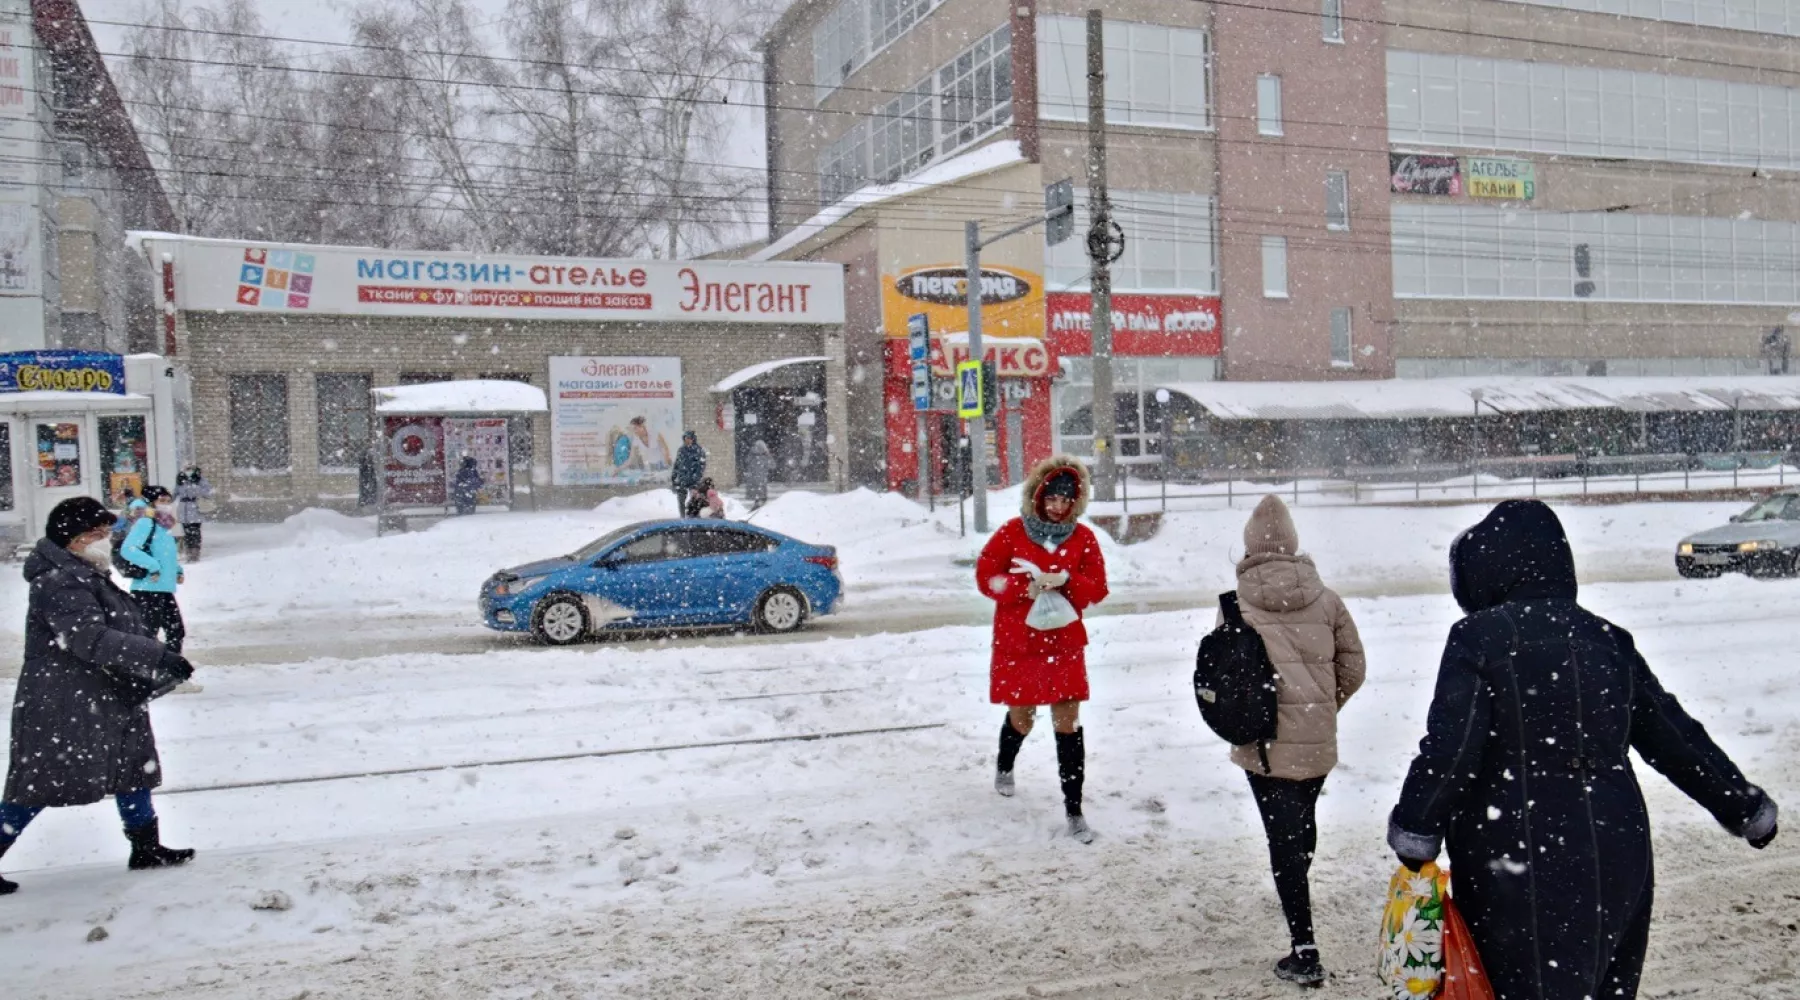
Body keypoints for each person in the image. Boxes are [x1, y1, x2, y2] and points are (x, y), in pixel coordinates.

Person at [1388, 500, 1778, 1000]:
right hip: (1620, 849)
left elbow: (1450, 750)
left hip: (1519, 857)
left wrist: (1416, 832)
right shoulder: (1606, 639)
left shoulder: (1479, 639)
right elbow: (1675, 737)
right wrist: (1743, 806)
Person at [0, 497, 195, 895]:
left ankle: (145, 847)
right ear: (74, 539)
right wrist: (157, 654)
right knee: (43, 779)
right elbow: (87, 638)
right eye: (98, 534)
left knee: (132, 766)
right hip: (65, 698)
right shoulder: (58, 581)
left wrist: (149, 656)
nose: (106, 539)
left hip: (106, 690)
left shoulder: (85, 573)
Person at [1226, 496, 1364, 987]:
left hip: (1264, 746)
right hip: (1317, 740)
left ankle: (1304, 948)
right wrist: (1320, 711)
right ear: (1293, 543)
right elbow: (1354, 667)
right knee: (1300, 825)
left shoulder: (1235, 603)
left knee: (1281, 836)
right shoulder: (1327, 598)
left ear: (1249, 546)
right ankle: (1298, 880)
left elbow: (1223, 680)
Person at [975, 456, 1109, 843]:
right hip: (1020, 642)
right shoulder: (1011, 533)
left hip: (1064, 643)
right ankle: (1005, 765)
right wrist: (1024, 588)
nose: (1058, 507)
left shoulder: (1083, 538)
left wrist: (1067, 579)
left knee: (1068, 724)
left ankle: (1074, 810)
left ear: (1076, 502)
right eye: (1051, 498)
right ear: (1037, 495)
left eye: (1067, 501)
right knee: (1023, 719)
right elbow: (987, 577)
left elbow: (1098, 588)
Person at [120, 488, 186, 654]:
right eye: (161, 501)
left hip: (163, 587)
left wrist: (177, 570)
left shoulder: (162, 526)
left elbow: (165, 554)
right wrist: (153, 566)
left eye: (167, 501)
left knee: (176, 630)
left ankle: (171, 668)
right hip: (147, 589)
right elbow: (128, 549)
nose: (166, 505)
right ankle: (145, 670)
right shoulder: (146, 523)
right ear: (151, 502)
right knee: (148, 634)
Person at [173, 467, 213, 562]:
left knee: (195, 532)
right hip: (183, 510)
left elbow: (208, 493)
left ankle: (194, 553)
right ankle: (188, 553)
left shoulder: (200, 480)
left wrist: (195, 485)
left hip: (195, 509)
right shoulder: (180, 479)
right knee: (187, 533)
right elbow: (174, 493)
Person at [672, 430, 706, 516]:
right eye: (685, 438)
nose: (687, 440)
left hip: (694, 481)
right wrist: (674, 476)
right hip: (682, 479)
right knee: (681, 500)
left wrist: (696, 478)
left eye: (689, 438)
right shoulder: (681, 450)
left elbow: (701, 466)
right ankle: (682, 517)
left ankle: (693, 517)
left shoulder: (698, 450)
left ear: (693, 439)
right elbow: (677, 464)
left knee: (695, 501)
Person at [744, 439, 773, 510]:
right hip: (762, 478)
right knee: (762, 496)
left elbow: (746, 461)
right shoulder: (765, 456)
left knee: (756, 495)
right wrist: (768, 455)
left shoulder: (751, 455)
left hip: (753, 478)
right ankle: (759, 507)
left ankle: (756, 505)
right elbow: (772, 465)